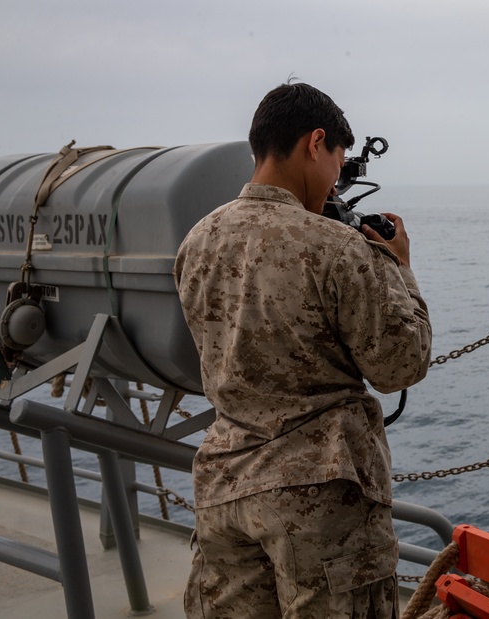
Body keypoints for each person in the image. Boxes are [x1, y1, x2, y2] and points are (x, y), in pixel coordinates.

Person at [173, 82, 432, 618]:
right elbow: (400, 365)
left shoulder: (198, 239)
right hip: (319, 503)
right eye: (337, 159)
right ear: (316, 143)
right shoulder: (337, 247)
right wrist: (399, 268)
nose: (337, 176)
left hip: (223, 488)